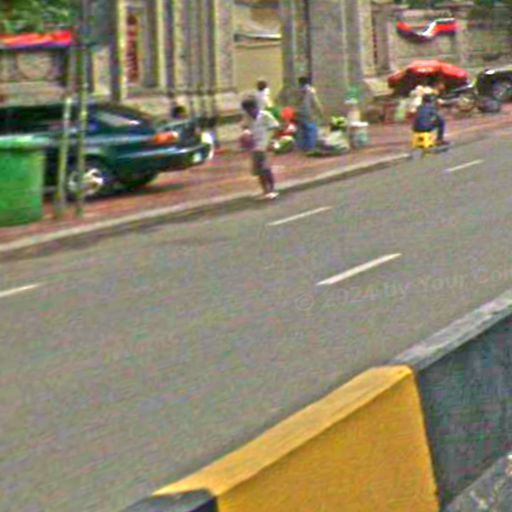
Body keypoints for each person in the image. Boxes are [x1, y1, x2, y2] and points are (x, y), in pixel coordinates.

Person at [240, 96, 280, 199]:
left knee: (265, 168)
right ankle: (265, 190)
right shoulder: (247, 117)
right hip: (255, 146)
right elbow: (245, 127)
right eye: (247, 111)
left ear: (256, 107)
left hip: (266, 145)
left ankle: (272, 189)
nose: (250, 113)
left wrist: (272, 141)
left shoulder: (265, 116)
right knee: (258, 170)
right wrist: (246, 134)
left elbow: (275, 127)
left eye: (251, 110)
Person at [296, 76, 325, 152]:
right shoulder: (311, 91)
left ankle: (302, 147)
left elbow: (296, 102)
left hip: (300, 112)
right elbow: (315, 102)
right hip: (309, 113)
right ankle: (311, 148)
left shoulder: (298, 91)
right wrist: (320, 111)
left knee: (302, 131)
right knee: (311, 130)